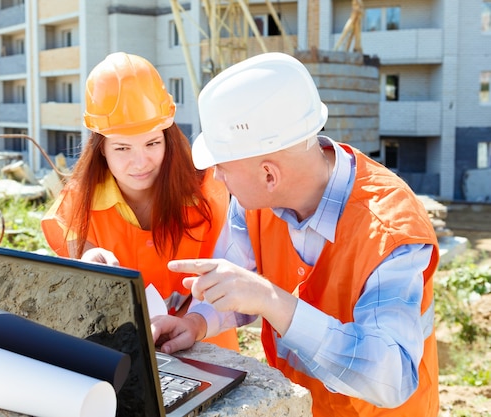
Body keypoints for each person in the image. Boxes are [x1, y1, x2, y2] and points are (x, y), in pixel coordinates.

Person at [150, 52, 440, 416]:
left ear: (269, 175)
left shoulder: (390, 231)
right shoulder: (253, 201)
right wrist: (196, 321)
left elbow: (391, 377)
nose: (217, 179)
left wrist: (273, 300)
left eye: (222, 167)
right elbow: (236, 285)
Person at [41, 52, 240, 351]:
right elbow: (82, 273)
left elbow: (234, 268)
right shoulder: (77, 203)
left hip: (207, 345)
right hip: (123, 351)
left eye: (152, 143)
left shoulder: (210, 191)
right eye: (122, 148)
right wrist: (88, 264)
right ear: (102, 149)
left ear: (168, 139)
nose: (140, 162)